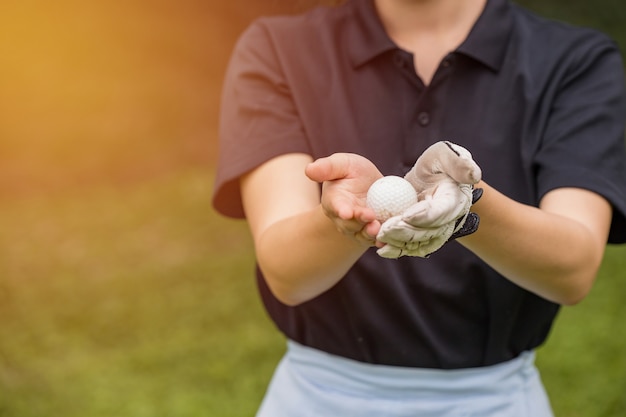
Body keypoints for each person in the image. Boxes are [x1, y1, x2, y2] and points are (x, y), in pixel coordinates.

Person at [212, 0, 626, 415]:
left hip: (493, 402)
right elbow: (286, 273)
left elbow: (573, 271)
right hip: (318, 399)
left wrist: (467, 202)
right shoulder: (280, 49)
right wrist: (347, 218)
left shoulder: (576, 62)